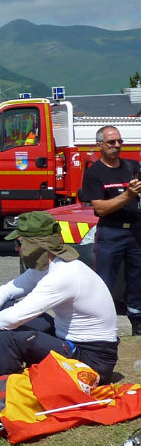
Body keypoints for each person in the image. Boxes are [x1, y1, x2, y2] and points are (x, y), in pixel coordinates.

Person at [0, 211, 119, 431]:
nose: (16, 249)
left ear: (35, 245)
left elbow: (15, 318)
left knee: (9, 335)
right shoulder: (50, 265)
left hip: (92, 361)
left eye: (19, 243)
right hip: (71, 342)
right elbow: (7, 291)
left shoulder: (64, 275)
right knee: (5, 310)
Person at [82, 125, 141, 334]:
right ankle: (101, 325)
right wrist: (128, 195)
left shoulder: (132, 166)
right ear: (99, 145)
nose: (117, 145)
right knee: (104, 280)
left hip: (135, 231)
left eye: (119, 141)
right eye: (111, 142)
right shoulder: (94, 173)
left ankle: (138, 323)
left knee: (137, 279)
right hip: (111, 232)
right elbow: (100, 208)